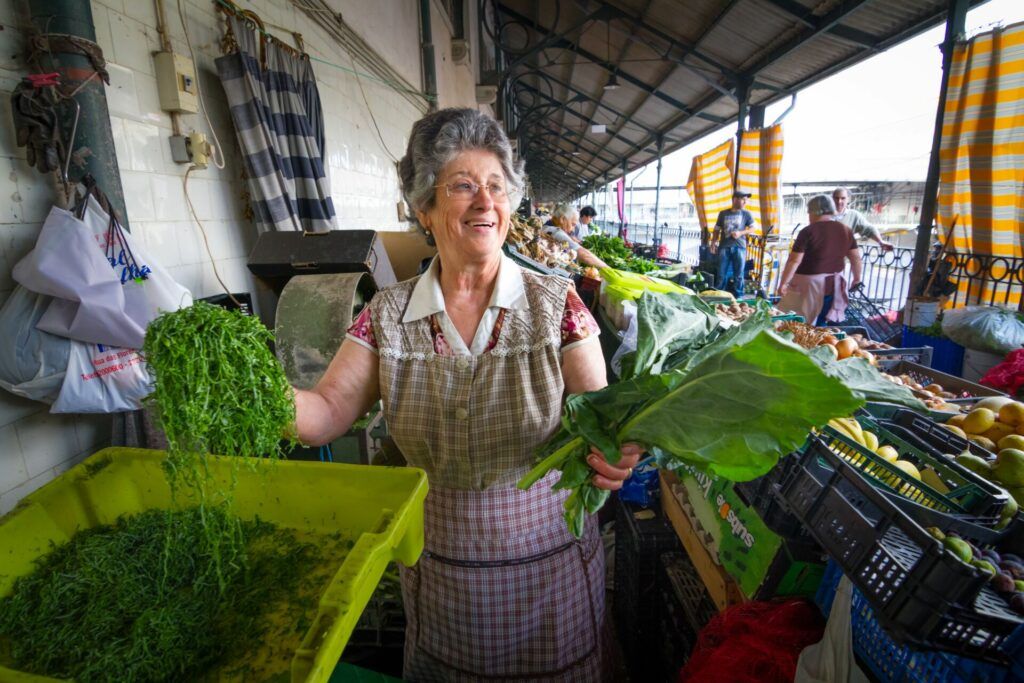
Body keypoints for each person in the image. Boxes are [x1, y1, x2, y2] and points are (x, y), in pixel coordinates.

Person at [293, 108, 639, 680]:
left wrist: (620, 454)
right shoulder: (386, 315)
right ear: (425, 208)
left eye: (496, 187)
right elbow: (326, 413)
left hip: (547, 569)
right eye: (462, 186)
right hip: (443, 569)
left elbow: (602, 423)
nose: (485, 202)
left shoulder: (558, 307)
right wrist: (256, 394)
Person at [777, 194, 863, 325]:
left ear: (813, 211)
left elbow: (794, 261)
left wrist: (783, 283)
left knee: (797, 324)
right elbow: (855, 258)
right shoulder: (845, 230)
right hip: (834, 286)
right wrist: (857, 278)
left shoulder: (808, 231)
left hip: (808, 287)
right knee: (821, 323)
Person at [711, 191, 758, 297]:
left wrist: (741, 232)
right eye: (743, 199)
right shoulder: (723, 213)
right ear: (735, 200)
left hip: (740, 247)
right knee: (721, 274)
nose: (745, 202)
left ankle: (738, 297)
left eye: (746, 200)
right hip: (724, 247)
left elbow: (753, 228)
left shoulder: (746, 214)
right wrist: (713, 243)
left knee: (739, 275)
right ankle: (718, 296)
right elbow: (716, 229)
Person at [833, 186, 894, 252]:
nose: (839, 201)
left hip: (842, 258)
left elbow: (869, 229)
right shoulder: (823, 215)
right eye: (836, 198)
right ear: (832, 199)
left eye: (843, 198)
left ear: (848, 199)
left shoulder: (854, 216)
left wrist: (880, 242)